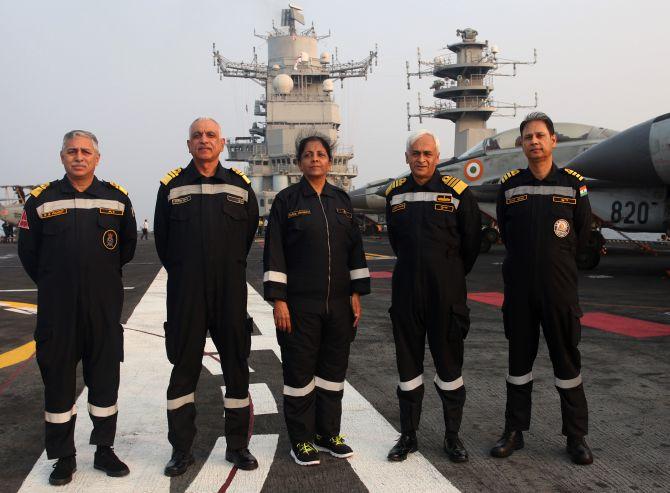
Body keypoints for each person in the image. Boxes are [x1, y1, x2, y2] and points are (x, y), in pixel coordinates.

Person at [18, 130, 136, 486]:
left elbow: (125, 248)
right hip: (58, 312)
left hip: (102, 310)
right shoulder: (41, 200)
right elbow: (29, 254)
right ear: (62, 157)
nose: (79, 157)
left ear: (97, 158)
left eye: (86, 151)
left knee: (104, 382)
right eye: (72, 151)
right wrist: (58, 284)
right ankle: (63, 457)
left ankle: (104, 449)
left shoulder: (116, 199)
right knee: (57, 385)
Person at [154, 117, 260, 476]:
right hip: (186, 294)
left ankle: (238, 446)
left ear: (222, 143)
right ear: (188, 145)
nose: (204, 140)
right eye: (197, 136)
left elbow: (246, 235)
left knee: (236, 369)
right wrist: (188, 273)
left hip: (230, 293)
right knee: (183, 371)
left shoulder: (240, 187)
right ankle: (181, 450)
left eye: (210, 135)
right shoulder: (171, 187)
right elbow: (164, 243)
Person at [491, 112, 593, 465]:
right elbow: (505, 231)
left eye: (540, 135)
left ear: (553, 141)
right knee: (518, 363)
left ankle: (576, 436)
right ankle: (514, 431)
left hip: (559, 290)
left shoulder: (573, 184)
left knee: (567, 362)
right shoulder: (510, 185)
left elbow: (580, 235)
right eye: (527, 137)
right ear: (522, 144)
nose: (533, 141)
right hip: (519, 290)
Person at [263, 135, 370, 466]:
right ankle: (301, 440)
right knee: (299, 375)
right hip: (299, 306)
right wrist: (279, 301)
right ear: (299, 163)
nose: (314, 159)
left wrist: (355, 294)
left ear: (329, 161)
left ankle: (328, 434)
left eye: (320, 154)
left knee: (332, 373)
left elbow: (354, 249)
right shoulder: (286, 201)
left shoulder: (341, 201)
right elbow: (274, 253)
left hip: (338, 305)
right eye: (307, 155)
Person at [385, 130, 481, 463]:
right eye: (415, 153)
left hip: (446, 298)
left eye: (427, 153)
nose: (421, 159)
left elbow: (471, 246)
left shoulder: (458, 194)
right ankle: (408, 436)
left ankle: (452, 437)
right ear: (407, 156)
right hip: (407, 296)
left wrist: (447, 275)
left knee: (450, 371)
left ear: (437, 157)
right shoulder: (395, 195)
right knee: (408, 371)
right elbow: (397, 243)